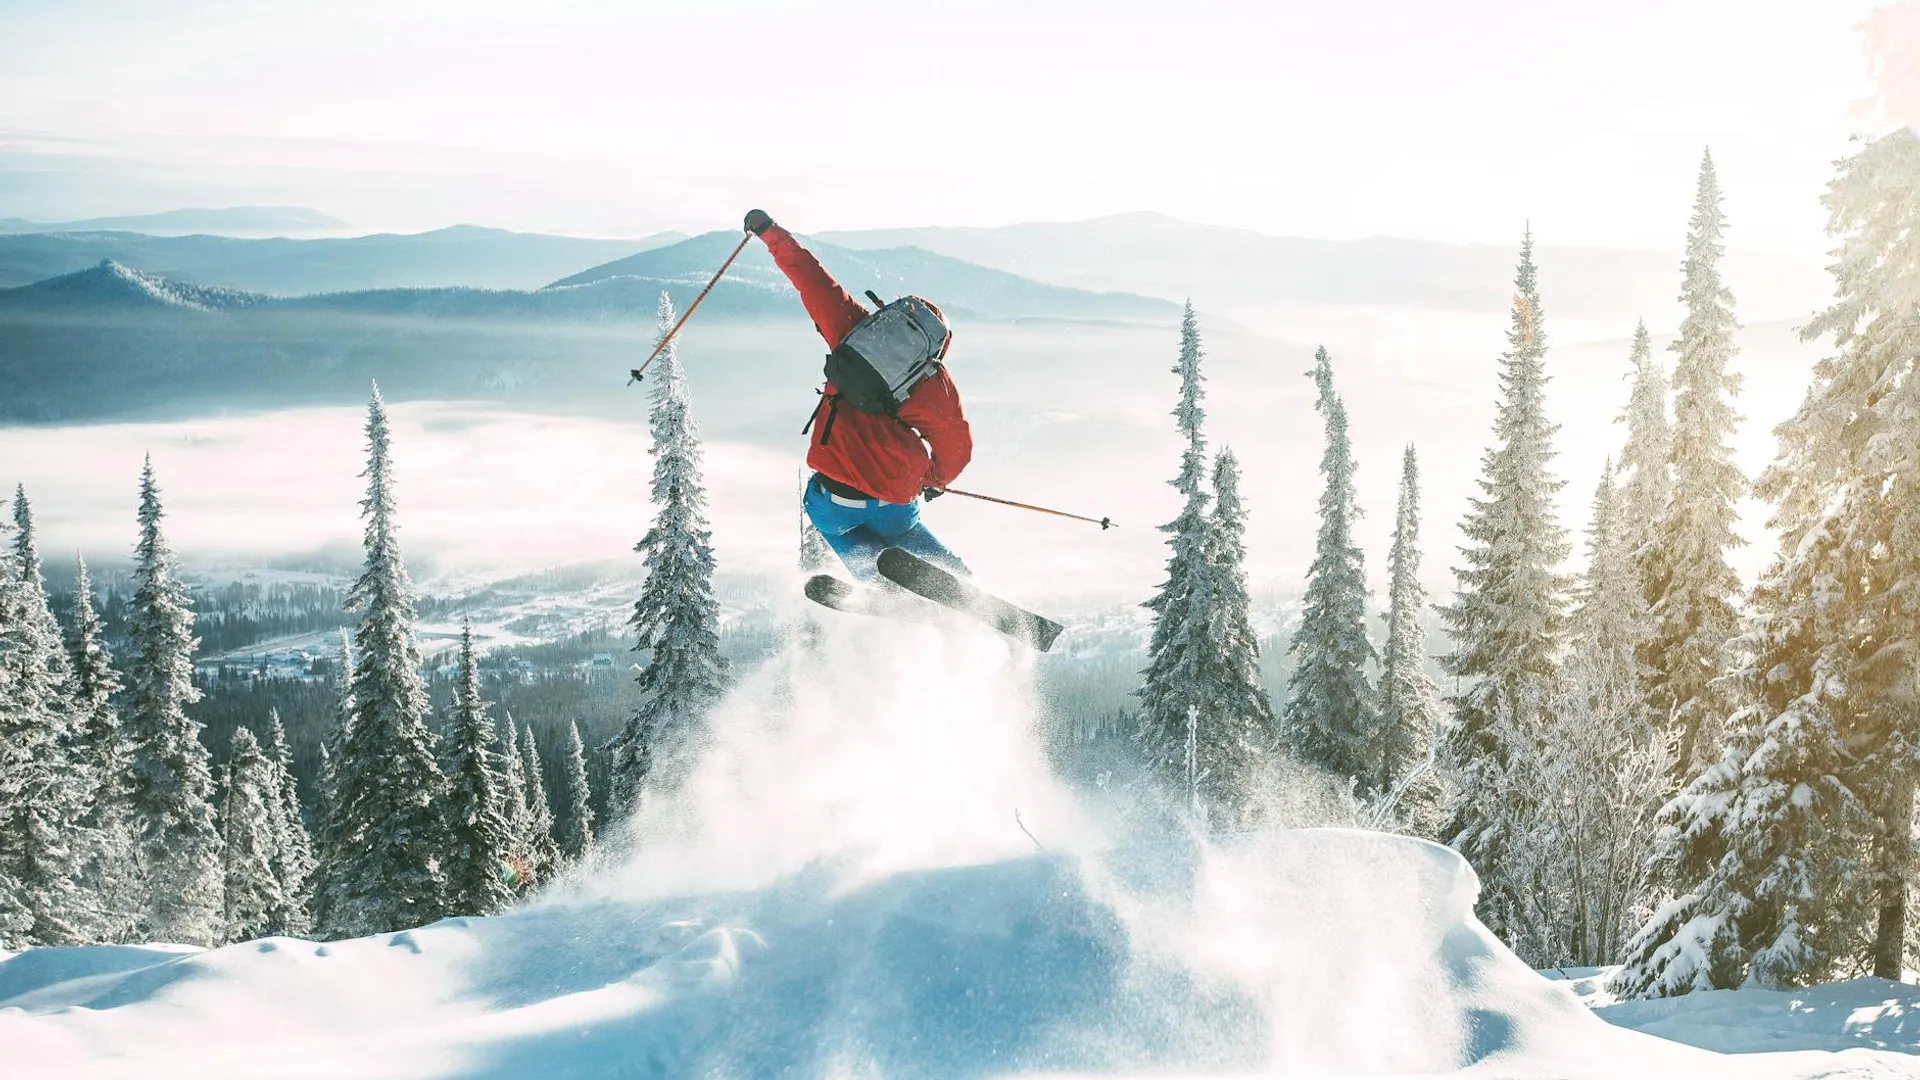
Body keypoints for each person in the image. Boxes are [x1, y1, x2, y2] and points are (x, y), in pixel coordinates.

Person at [745, 208, 972, 581]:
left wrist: (768, 232)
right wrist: (934, 480)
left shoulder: (852, 329)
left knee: (834, 525)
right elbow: (956, 446)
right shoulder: (934, 382)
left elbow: (810, 277)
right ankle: (954, 574)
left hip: (838, 497)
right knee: (903, 530)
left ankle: (876, 583)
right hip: (897, 496)